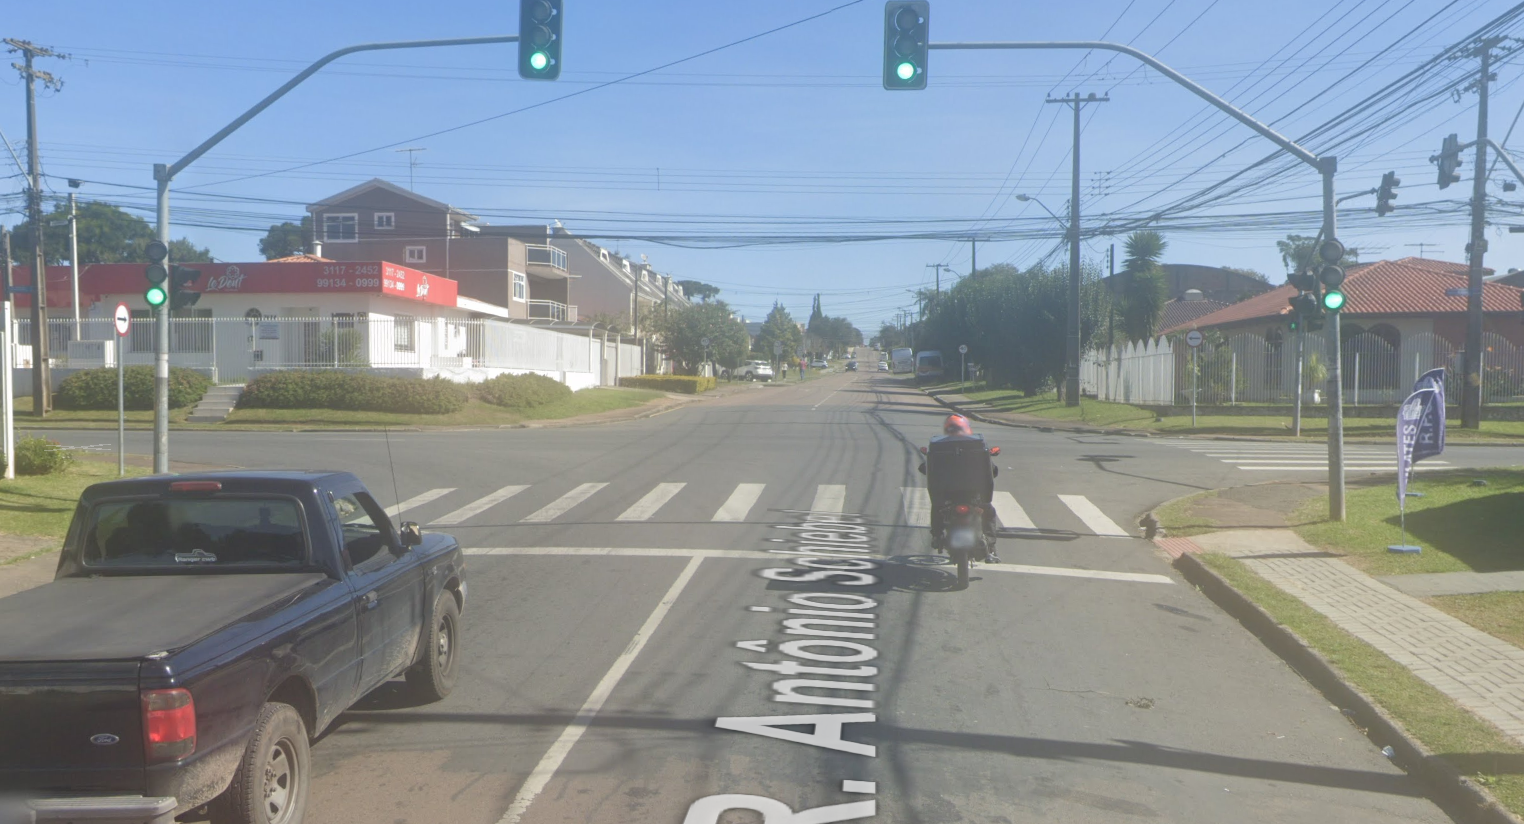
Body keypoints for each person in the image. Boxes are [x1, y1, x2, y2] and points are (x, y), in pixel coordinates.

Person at [924, 414, 999, 560]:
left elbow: (927, 469)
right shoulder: (976, 446)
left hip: (947, 494)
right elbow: (992, 470)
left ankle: (937, 535)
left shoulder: (940, 446)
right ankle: (990, 545)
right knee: (988, 510)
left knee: (937, 508)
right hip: (973, 493)